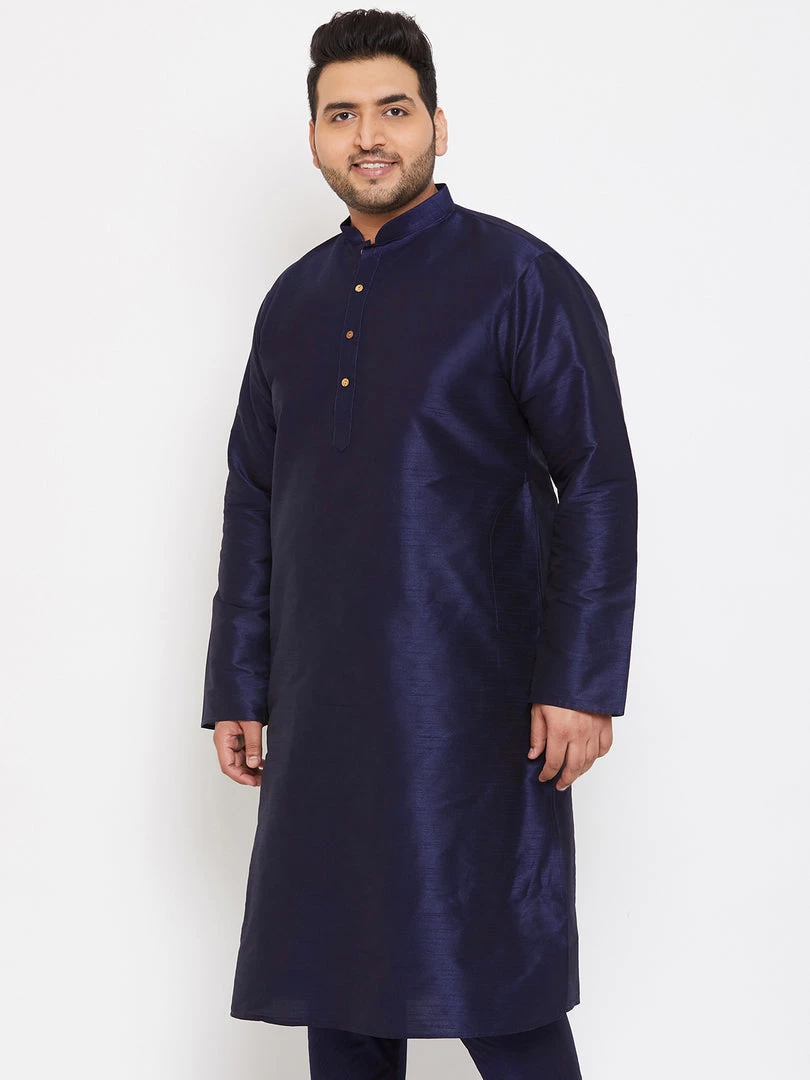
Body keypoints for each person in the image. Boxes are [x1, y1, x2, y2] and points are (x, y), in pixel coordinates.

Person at [201, 9, 638, 1079]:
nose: (368, 136)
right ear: (314, 136)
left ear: (438, 125)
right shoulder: (293, 303)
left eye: (393, 110)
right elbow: (254, 499)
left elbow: (597, 479)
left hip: (473, 714)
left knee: (501, 987)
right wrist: (238, 684)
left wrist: (580, 683)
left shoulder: (520, 278)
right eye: (341, 114)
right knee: (341, 987)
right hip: (322, 709)